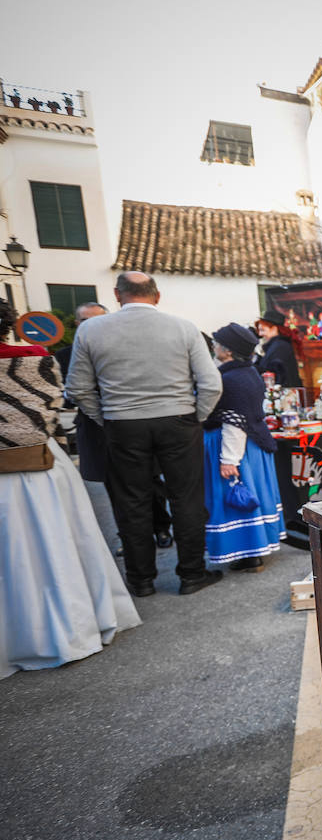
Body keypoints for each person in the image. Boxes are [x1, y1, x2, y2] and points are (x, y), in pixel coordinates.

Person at [0, 298, 141, 678]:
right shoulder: (36, 358)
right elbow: (52, 406)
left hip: (21, 466)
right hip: (38, 461)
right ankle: (75, 624)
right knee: (55, 540)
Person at [66, 272, 224, 597]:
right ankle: (192, 574)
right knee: (187, 499)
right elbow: (211, 383)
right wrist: (196, 417)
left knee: (131, 501)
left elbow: (78, 388)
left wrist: (106, 417)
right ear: (157, 296)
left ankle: (141, 580)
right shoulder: (184, 328)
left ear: (117, 294)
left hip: (122, 423)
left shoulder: (91, 330)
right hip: (178, 420)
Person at [58, 301, 175, 552]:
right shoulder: (66, 356)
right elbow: (70, 394)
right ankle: (130, 537)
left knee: (151, 482)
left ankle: (161, 527)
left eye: (97, 320)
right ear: (77, 324)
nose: (92, 326)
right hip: (98, 429)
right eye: (85, 321)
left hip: (135, 424)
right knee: (116, 488)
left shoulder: (125, 346)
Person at [204, 322, 285, 571]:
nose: (215, 347)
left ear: (228, 351)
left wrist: (229, 460)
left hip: (238, 448)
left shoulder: (231, 379)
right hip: (250, 447)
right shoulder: (248, 372)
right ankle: (254, 548)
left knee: (237, 498)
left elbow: (234, 423)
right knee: (251, 496)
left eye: (218, 343)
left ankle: (248, 553)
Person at [254, 307, 302, 388]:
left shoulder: (280, 347)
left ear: (274, 329)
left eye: (263, 330)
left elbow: (274, 373)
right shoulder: (278, 346)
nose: (260, 334)